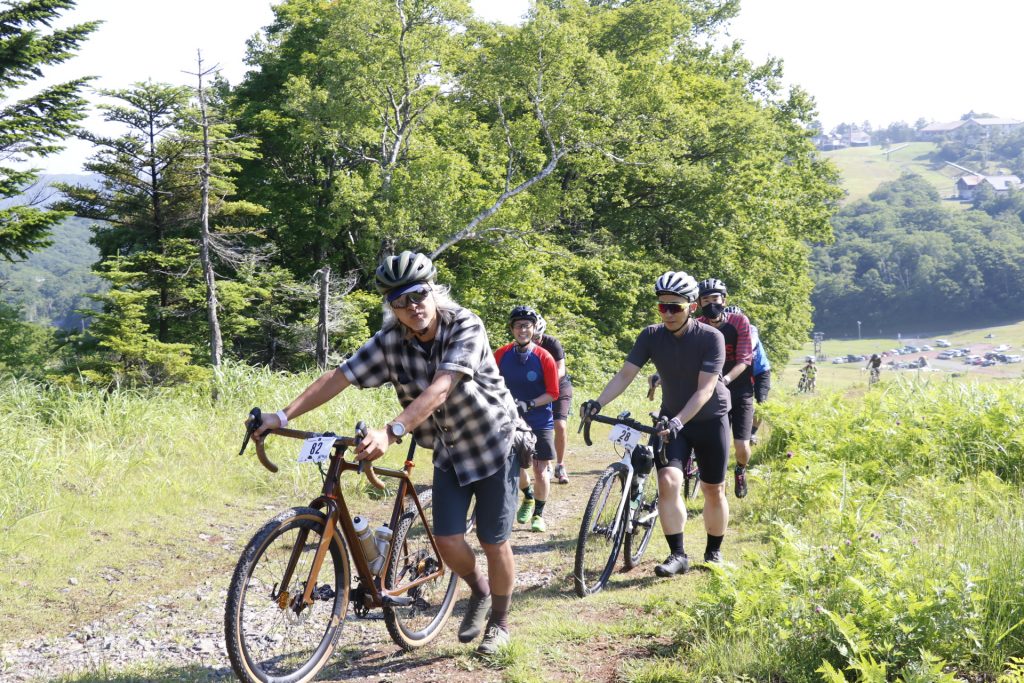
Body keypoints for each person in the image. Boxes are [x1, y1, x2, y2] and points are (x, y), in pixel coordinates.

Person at [251, 251, 518, 655]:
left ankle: (499, 622)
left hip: (494, 443)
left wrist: (392, 431)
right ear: (391, 308)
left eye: (419, 295)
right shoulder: (391, 340)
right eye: (400, 301)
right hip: (448, 449)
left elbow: (442, 387)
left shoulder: (465, 324)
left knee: (492, 540)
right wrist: (282, 415)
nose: (413, 307)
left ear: (432, 291)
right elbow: (340, 376)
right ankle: (479, 588)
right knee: (448, 541)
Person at [582, 270, 732, 574]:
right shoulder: (651, 335)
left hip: (709, 419)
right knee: (667, 482)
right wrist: (598, 402)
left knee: (713, 490)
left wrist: (678, 421)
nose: (668, 314)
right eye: (663, 306)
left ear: (692, 306)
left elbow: (705, 390)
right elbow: (626, 374)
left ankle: (713, 552)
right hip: (671, 420)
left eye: (675, 307)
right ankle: (678, 555)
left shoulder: (710, 337)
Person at [494, 306, 560, 533]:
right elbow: (489, 381)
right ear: (512, 329)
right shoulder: (501, 354)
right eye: (518, 326)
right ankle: (528, 496)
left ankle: (539, 514)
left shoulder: (544, 357)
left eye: (527, 326)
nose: (522, 330)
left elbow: (553, 393)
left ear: (533, 328)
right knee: (516, 464)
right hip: (510, 419)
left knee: (540, 470)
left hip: (540, 420)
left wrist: (529, 404)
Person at [696, 279, 754, 499]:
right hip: (712, 392)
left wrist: (726, 379)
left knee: (741, 446)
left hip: (740, 390)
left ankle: (740, 469)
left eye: (715, 299)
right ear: (699, 303)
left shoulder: (739, 321)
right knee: (714, 443)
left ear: (724, 300)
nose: (711, 304)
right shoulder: (697, 325)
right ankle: (712, 482)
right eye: (705, 300)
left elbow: (744, 359)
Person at [533, 313, 574, 484]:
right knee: (543, 426)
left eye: (537, 337)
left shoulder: (552, 343)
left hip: (560, 386)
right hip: (538, 389)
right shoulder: (521, 346)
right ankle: (547, 463)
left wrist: (548, 383)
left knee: (560, 425)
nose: (534, 341)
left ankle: (560, 464)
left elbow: (560, 370)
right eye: (532, 337)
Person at [724, 305, 770, 445]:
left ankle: (752, 433)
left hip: (760, 370)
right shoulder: (725, 330)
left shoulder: (751, 328)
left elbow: (751, 343)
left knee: (761, 402)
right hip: (743, 372)